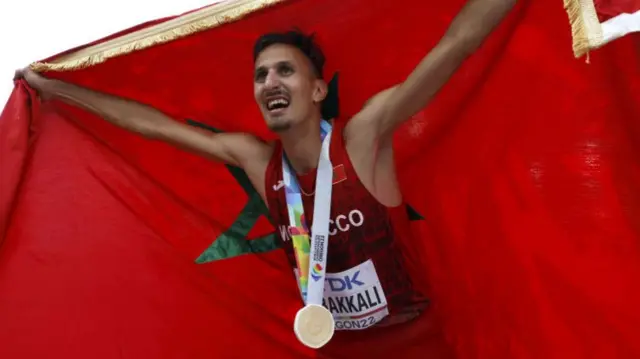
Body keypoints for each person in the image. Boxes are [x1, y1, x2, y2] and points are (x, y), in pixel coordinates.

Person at [16, 0, 516, 353]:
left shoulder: (361, 137)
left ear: (319, 89)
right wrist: (58, 92)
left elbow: (457, 46)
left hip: (418, 346)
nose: (270, 82)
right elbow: (153, 127)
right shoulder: (258, 162)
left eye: (284, 71)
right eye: (260, 75)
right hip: (331, 350)